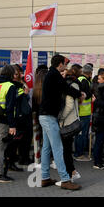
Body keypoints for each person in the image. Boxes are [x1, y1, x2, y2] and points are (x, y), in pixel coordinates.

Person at [39, 55, 84, 190]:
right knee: (58, 148)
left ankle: (45, 177)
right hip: (49, 117)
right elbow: (67, 88)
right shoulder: (54, 75)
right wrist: (80, 94)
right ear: (60, 64)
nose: (66, 67)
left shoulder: (51, 74)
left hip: (45, 116)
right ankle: (65, 179)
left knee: (47, 148)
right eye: (65, 64)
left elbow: (64, 88)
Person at [0, 65, 18, 183]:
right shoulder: (10, 86)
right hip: (3, 122)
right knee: (0, 148)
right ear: (10, 74)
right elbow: (10, 108)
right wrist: (12, 125)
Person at [58, 67, 82, 183]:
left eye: (63, 72)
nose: (61, 74)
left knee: (66, 149)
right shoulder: (68, 84)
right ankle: (71, 172)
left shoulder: (71, 85)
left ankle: (71, 174)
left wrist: (60, 119)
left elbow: (69, 106)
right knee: (66, 149)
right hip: (67, 120)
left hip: (67, 121)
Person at [74, 64, 94, 161]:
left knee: (79, 134)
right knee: (82, 134)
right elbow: (86, 95)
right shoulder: (85, 81)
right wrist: (92, 94)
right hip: (83, 112)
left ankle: (78, 152)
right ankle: (79, 154)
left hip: (80, 111)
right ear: (90, 73)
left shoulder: (80, 79)